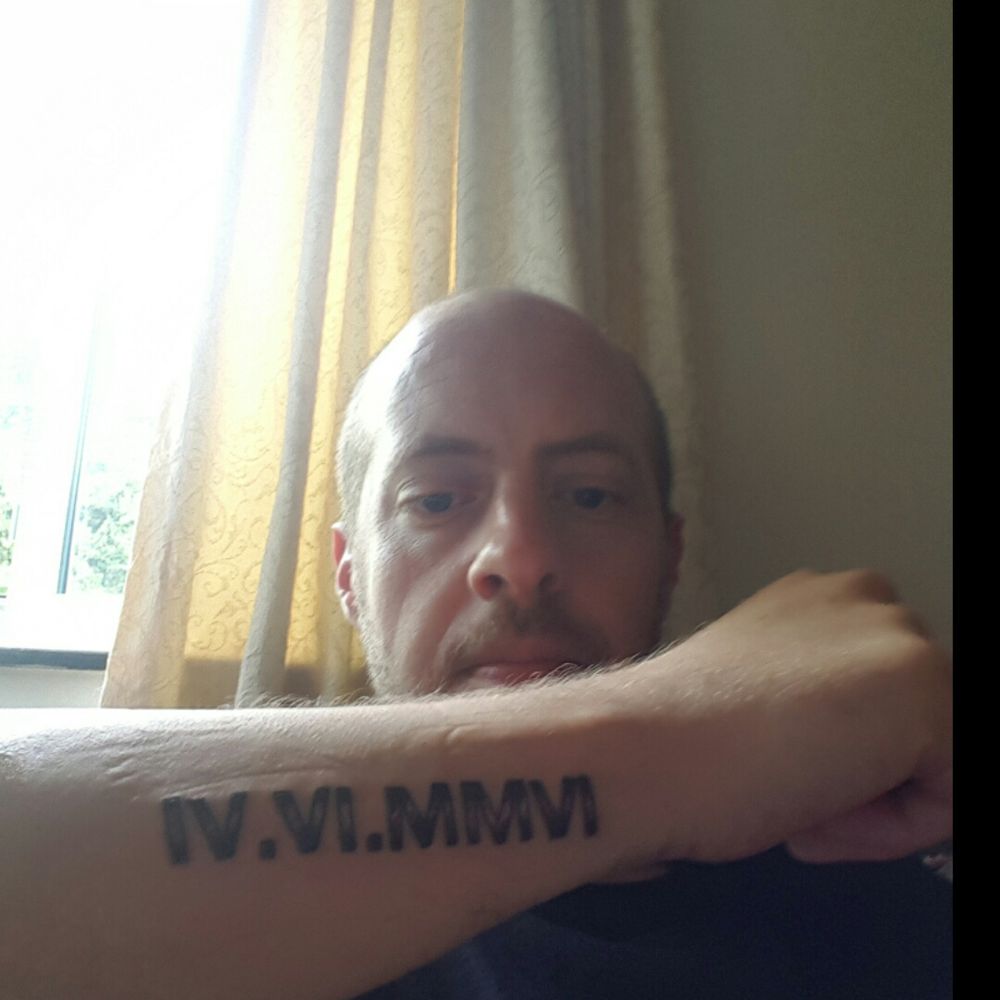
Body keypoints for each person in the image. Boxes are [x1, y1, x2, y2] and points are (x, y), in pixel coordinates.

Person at [0, 290, 951, 1000]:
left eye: (589, 495)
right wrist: (686, 741)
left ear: (668, 559)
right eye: (436, 500)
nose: (521, 559)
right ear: (348, 577)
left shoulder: (889, 912)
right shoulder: (195, 939)